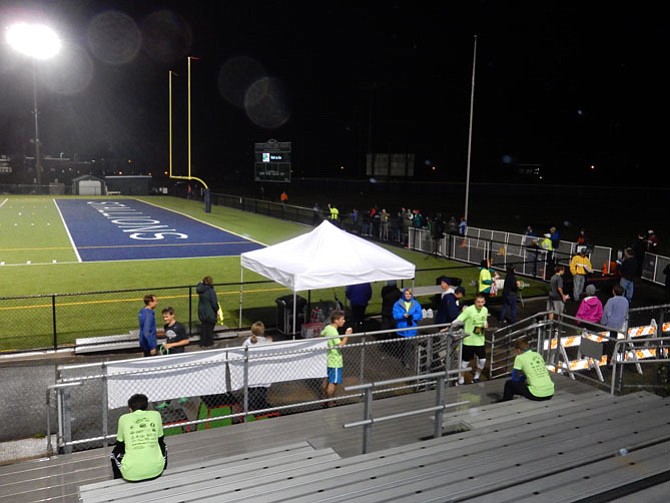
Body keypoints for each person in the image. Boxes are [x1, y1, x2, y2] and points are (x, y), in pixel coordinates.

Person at [110, 394, 167, 481]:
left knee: (113, 455)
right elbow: (160, 438)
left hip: (130, 475)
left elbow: (119, 443)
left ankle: (117, 479)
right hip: (156, 471)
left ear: (130, 409)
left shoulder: (123, 419)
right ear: (146, 407)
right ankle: (161, 468)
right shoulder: (156, 415)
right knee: (164, 446)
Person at [453, 293, 489, 384]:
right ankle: (461, 378)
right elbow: (459, 320)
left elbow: (484, 320)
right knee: (465, 362)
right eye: (478, 302)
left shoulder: (485, 310)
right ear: (475, 302)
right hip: (468, 340)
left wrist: (486, 324)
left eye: (482, 302)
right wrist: (449, 326)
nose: (480, 304)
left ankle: (476, 377)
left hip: (480, 340)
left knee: (482, 360)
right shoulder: (469, 310)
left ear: (484, 302)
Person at [321, 310, 352, 406]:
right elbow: (340, 345)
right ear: (336, 320)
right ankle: (330, 401)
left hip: (327, 358)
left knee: (326, 379)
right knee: (333, 382)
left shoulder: (327, 328)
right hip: (335, 360)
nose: (344, 321)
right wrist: (347, 335)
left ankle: (323, 399)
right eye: (342, 319)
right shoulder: (334, 332)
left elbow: (321, 335)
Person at [242, 321, 273, 410]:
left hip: (251, 369)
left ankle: (248, 405)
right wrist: (271, 342)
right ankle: (261, 404)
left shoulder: (247, 342)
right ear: (263, 331)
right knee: (262, 388)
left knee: (250, 389)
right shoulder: (266, 342)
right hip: (263, 370)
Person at [392, 288, 423, 368]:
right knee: (402, 345)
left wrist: (412, 316)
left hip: (411, 329)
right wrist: (403, 315)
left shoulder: (416, 304)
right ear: (403, 294)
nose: (408, 295)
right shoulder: (397, 304)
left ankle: (406, 361)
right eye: (406, 294)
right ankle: (403, 357)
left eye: (409, 294)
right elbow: (395, 315)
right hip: (401, 329)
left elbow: (419, 315)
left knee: (408, 345)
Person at [600, 285, 629, 364]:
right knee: (619, 342)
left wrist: (603, 323)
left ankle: (609, 359)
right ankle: (617, 357)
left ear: (613, 291)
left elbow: (606, 312)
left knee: (611, 341)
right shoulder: (626, 301)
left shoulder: (611, 301)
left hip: (612, 324)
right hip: (622, 324)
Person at [196, 276, 219, 348]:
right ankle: (209, 343)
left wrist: (200, 283)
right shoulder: (211, 291)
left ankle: (202, 343)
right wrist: (217, 310)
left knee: (203, 328)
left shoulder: (201, 290)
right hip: (210, 312)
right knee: (209, 329)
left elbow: (198, 286)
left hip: (202, 312)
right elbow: (214, 303)